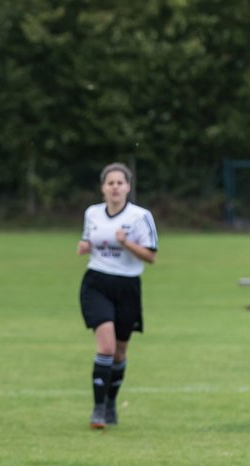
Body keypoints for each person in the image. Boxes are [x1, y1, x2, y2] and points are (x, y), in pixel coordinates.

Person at [77, 162, 158, 429]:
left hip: (127, 287)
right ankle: (98, 409)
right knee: (107, 348)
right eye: (110, 183)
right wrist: (85, 246)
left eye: (119, 183)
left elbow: (151, 256)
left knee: (120, 354)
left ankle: (111, 402)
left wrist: (126, 242)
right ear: (102, 188)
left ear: (128, 187)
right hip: (97, 283)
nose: (115, 187)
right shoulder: (93, 214)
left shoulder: (140, 216)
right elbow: (90, 240)